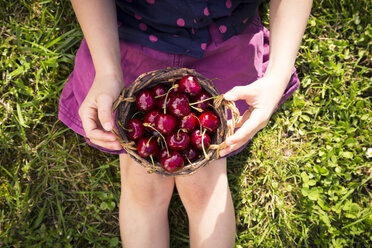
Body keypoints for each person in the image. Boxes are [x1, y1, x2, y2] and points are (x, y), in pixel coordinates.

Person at [59, 0, 313, 247]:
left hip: (223, 41)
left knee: (204, 185)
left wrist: (277, 77)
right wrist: (107, 72)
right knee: (143, 184)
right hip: (132, 37)